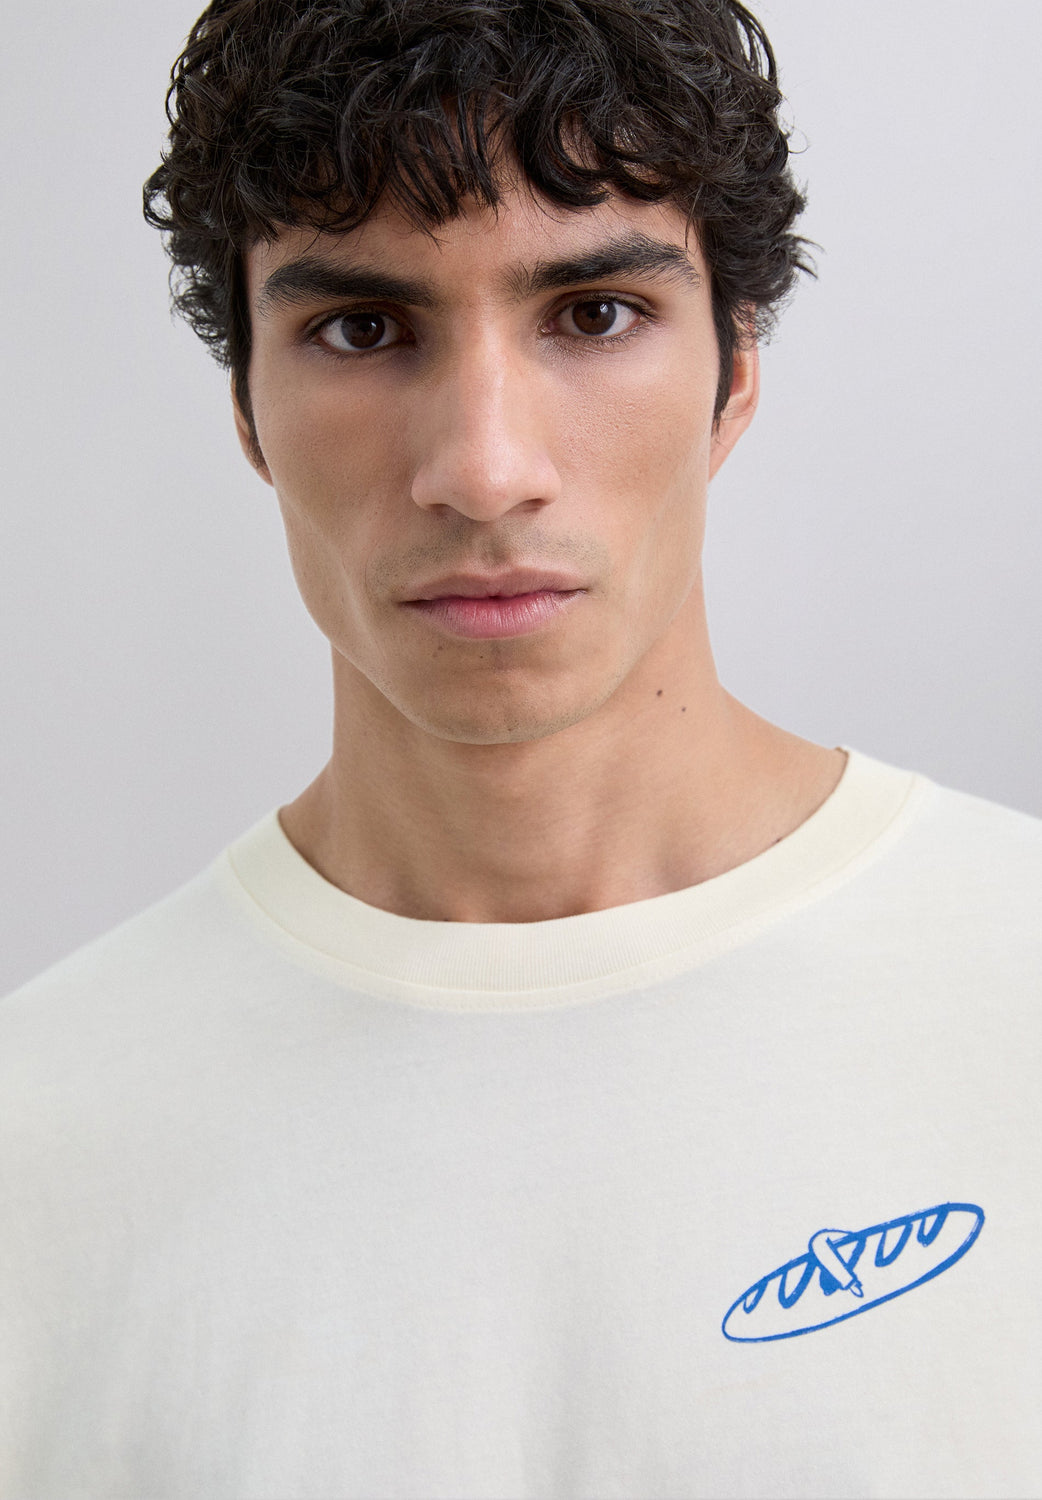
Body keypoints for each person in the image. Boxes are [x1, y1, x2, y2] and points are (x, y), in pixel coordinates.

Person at [1, 0, 1038, 1495]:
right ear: (245, 407)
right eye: (362, 329)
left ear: (737, 368)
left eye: (594, 314)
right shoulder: (39, 1140)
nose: (483, 469)